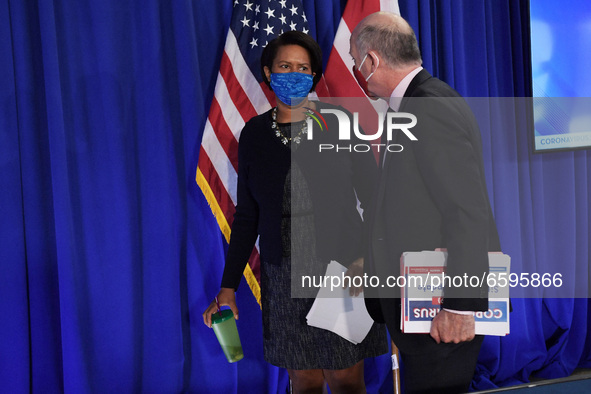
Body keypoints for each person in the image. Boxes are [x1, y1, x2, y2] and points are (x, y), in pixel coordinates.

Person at [203, 31, 387, 394]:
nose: (295, 74)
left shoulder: (341, 123)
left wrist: (368, 257)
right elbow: (247, 217)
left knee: (346, 377)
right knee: (303, 380)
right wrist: (228, 287)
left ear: (315, 76)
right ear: (269, 73)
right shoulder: (254, 134)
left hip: (343, 268)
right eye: (285, 66)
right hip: (282, 272)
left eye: (304, 68)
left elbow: (378, 199)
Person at [349, 12, 502, 393]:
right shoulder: (418, 102)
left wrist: (459, 305)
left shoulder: (428, 107)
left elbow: (466, 211)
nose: (355, 70)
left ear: (371, 62)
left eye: (355, 62)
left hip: (441, 307)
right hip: (418, 303)